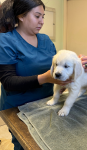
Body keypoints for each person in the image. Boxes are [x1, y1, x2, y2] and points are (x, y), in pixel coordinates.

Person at [0, 0, 71, 149]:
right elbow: (8, 82)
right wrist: (44, 78)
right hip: (19, 108)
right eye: (37, 16)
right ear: (21, 16)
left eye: (43, 17)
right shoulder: (5, 41)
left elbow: (56, 67)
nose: (42, 21)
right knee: (24, 144)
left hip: (47, 103)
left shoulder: (45, 40)